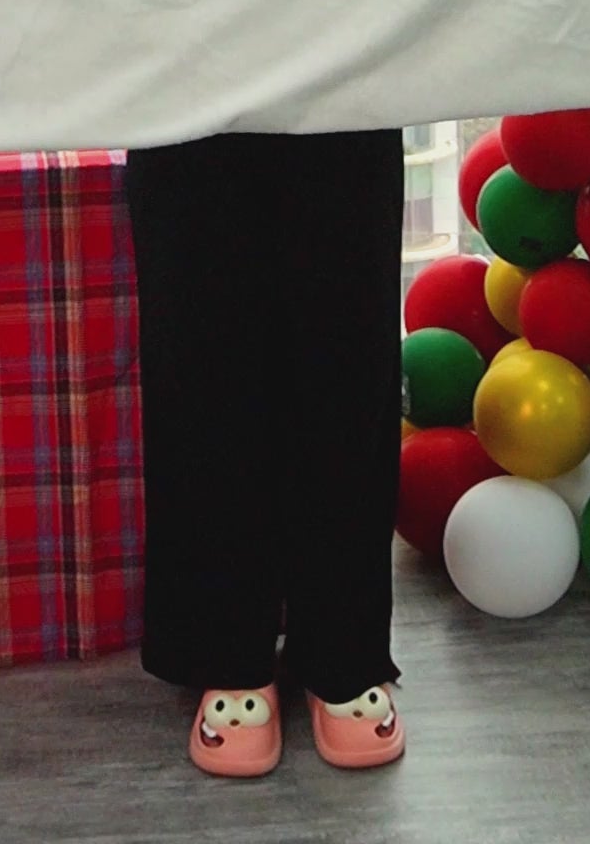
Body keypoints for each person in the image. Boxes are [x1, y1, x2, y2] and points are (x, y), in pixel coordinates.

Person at [125, 130, 406, 776]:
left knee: (348, 351)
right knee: (202, 356)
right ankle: (226, 649)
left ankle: (345, 645)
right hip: (188, 96)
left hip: (344, 93)